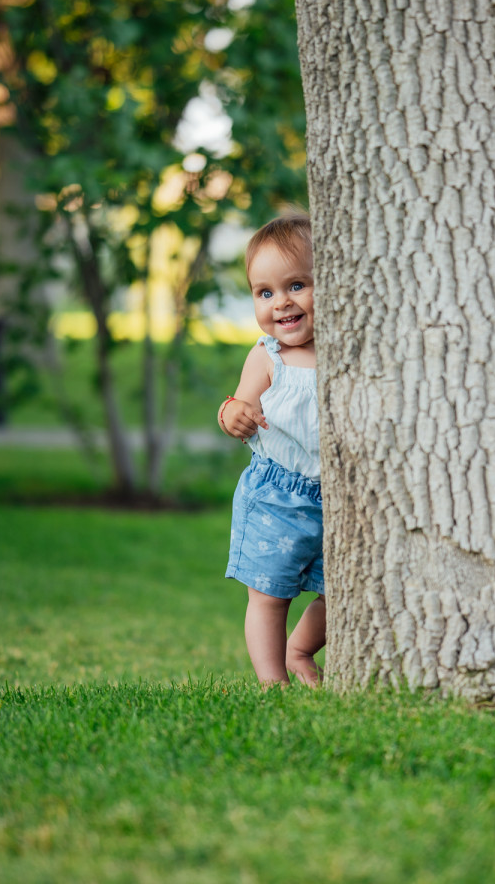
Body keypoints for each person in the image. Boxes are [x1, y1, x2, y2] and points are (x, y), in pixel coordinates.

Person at [217, 213, 324, 687]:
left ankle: (300, 651)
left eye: (297, 285)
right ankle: (271, 682)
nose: (281, 303)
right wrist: (232, 413)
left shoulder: (343, 348)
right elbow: (238, 405)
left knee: (350, 587)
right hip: (276, 494)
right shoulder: (267, 355)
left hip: (336, 498)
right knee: (268, 594)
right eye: (265, 293)